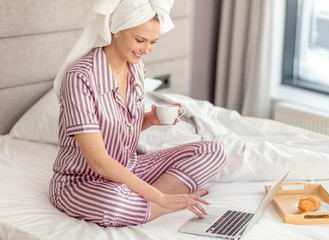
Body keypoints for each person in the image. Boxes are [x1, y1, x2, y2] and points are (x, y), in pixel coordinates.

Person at [49, 0, 227, 227]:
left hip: (129, 167)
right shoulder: (80, 78)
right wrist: (160, 197)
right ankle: (160, 205)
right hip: (82, 181)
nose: (146, 49)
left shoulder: (137, 68)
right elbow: (99, 162)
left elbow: (119, 129)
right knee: (113, 204)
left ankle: (142, 204)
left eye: (153, 41)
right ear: (116, 30)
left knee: (213, 151)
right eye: (140, 40)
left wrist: (149, 120)